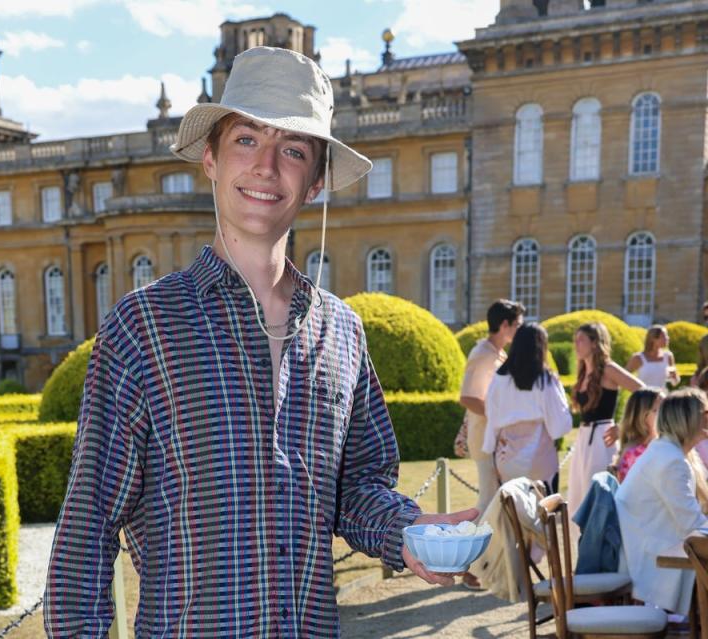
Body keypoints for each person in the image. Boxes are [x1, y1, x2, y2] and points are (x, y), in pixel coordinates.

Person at [43, 46, 476, 637]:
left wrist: (407, 533)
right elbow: (87, 530)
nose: (267, 167)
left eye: (293, 150)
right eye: (247, 140)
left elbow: (359, 486)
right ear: (210, 159)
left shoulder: (342, 331)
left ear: (317, 181)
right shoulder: (143, 328)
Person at [616, 388, 708, 618]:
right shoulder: (670, 461)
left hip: (654, 547)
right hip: (652, 561)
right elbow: (692, 525)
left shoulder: (667, 451)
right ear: (687, 420)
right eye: (704, 413)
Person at [567, 322, 643, 523]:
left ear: (594, 343)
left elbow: (646, 393)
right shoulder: (584, 372)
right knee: (579, 495)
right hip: (583, 439)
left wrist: (625, 424)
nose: (576, 344)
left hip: (603, 439)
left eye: (581, 340)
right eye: (575, 340)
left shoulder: (609, 369)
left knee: (599, 494)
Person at [483, 322, 572, 489]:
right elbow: (559, 426)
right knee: (544, 510)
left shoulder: (499, 378)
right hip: (539, 454)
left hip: (505, 453)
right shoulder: (545, 380)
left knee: (512, 510)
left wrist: (489, 450)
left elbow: (492, 417)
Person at [459, 299, 524, 515]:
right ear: (505, 325)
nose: (519, 330)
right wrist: (502, 416)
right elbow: (468, 398)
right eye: (517, 325)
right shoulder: (482, 354)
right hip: (484, 440)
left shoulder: (498, 354)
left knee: (499, 500)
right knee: (488, 501)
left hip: (496, 439)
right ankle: (473, 546)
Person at [614, 387, 664, 482]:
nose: (665, 414)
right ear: (642, 416)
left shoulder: (656, 445)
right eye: (657, 410)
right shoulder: (637, 453)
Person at [627, 325, 680, 389]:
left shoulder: (668, 356)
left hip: (662, 397)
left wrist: (674, 377)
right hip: (644, 397)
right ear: (653, 339)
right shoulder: (638, 358)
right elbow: (624, 378)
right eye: (663, 336)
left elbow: (674, 382)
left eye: (667, 335)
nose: (667, 338)